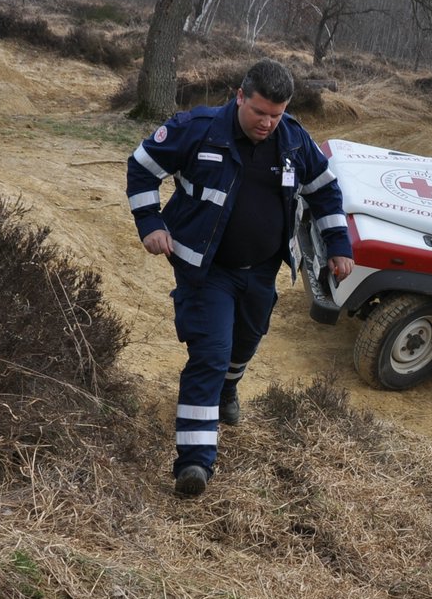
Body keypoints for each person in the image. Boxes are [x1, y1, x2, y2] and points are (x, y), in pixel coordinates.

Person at [126, 59, 354, 496]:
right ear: (239, 97)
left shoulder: (293, 140)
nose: (268, 123)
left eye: (277, 113)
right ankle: (194, 463)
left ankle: (230, 388)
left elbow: (324, 191)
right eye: (260, 112)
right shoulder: (196, 129)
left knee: (245, 343)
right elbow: (141, 167)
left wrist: (338, 248)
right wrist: (150, 222)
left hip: (262, 271)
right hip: (205, 269)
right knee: (209, 354)